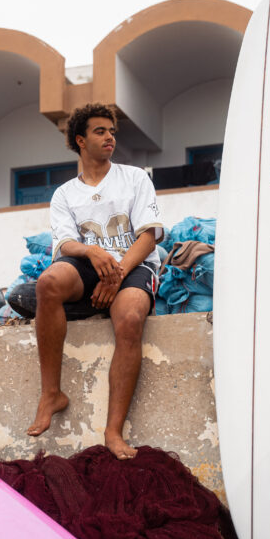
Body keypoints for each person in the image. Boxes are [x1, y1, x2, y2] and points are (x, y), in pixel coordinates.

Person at [27, 103, 164, 460]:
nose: (109, 138)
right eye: (100, 131)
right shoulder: (64, 194)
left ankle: (113, 432)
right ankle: (51, 394)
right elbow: (65, 244)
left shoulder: (134, 178)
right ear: (80, 140)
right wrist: (91, 254)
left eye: (112, 132)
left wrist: (117, 272)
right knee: (47, 283)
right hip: (91, 264)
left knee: (131, 319)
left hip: (133, 263)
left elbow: (149, 237)